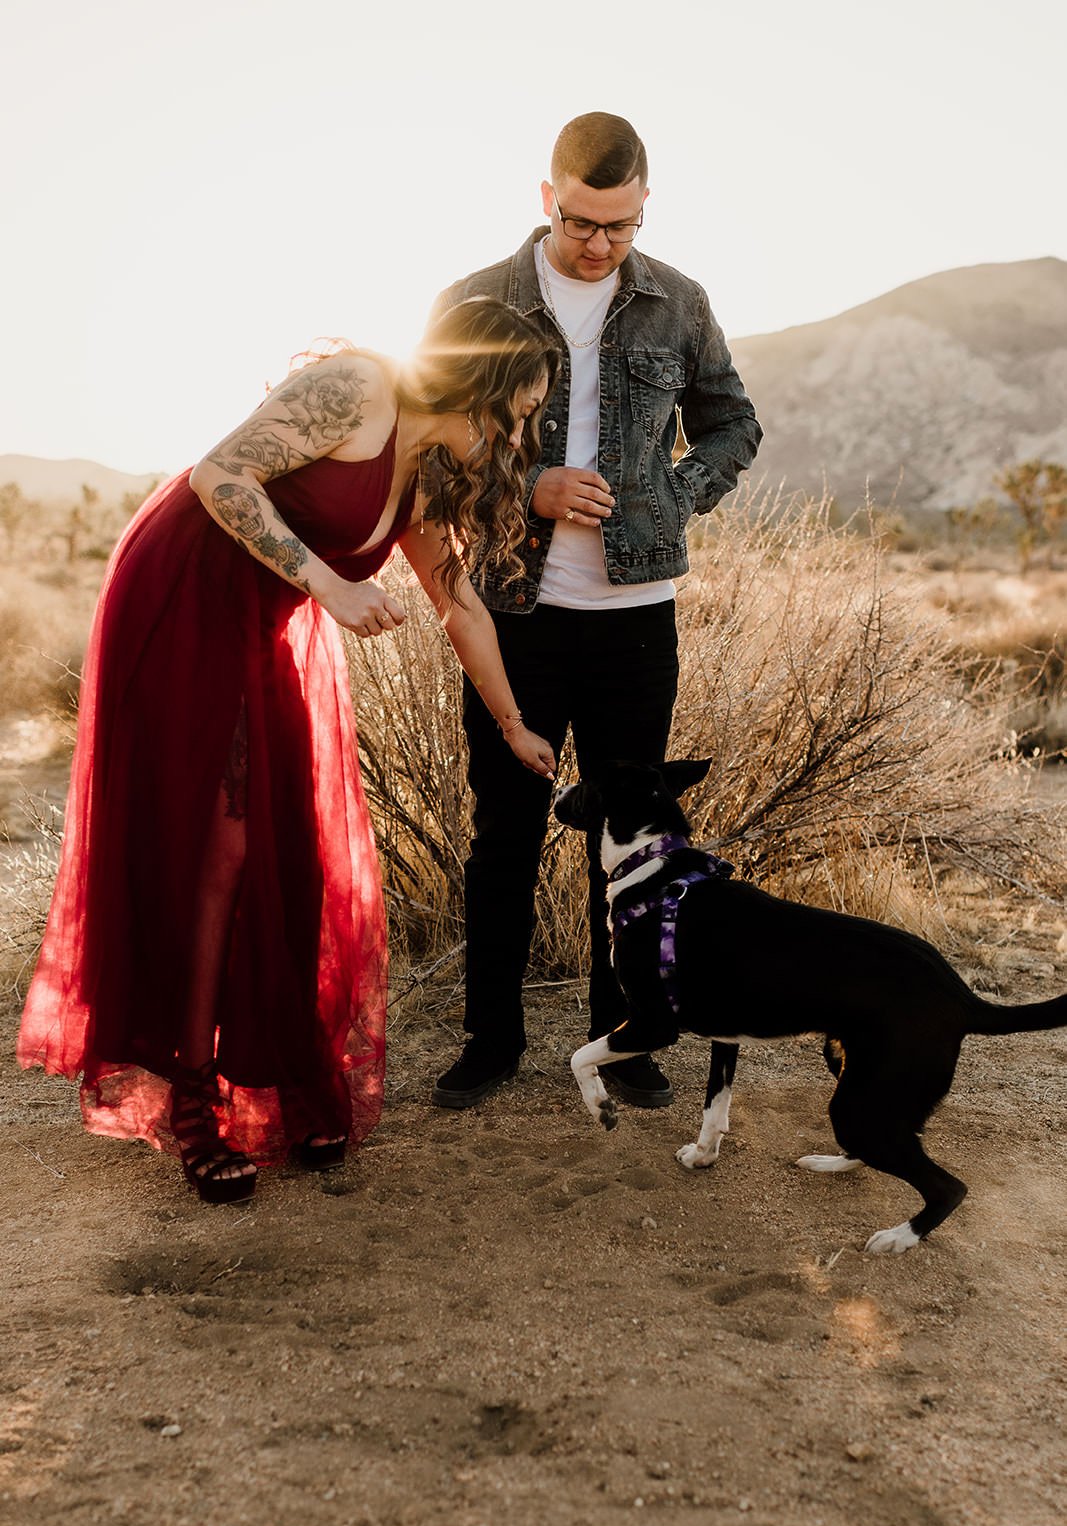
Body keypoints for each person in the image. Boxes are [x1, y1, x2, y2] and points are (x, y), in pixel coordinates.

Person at [17, 298, 559, 1203]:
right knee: (217, 850)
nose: (523, 431)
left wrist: (511, 722)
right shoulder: (357, 388)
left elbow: (458, 604)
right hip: (183, 595)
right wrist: (330, 589)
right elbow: (219, 476)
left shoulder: (428, 474)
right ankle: (191, 1098)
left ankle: (278, 1072)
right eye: (522, 407)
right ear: (482, 382)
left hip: (261, 621)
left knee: (289, 848)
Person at [429, 112, 762, 1112]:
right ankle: (489, 1040)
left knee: (627, 842)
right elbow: (429, 447)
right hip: (513, 610)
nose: (598, 244)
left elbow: (733, 422)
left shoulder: (678, 303)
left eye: (617, 226)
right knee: (504, 836)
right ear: (545, 199)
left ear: (642, 207)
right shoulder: (472, 300)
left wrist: (674, 492)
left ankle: (620, 1041)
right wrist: (527, 485)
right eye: (580, 221)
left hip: (635, 617)